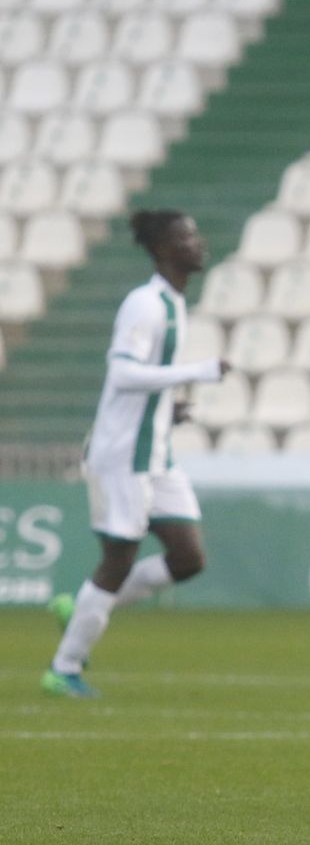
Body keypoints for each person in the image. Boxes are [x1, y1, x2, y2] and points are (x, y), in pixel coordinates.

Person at [41, 211, 229, 699]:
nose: (197, 242)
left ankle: (81, 604)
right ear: (162, 248)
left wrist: (170, 410)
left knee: (188, 558)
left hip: (156, 453)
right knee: (118, 560)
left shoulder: (173, 303)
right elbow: (123, 373)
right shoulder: (143, 305)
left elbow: (145, 383)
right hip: (122, 456)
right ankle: (64, 667)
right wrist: (198, 371)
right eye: (185, 236)